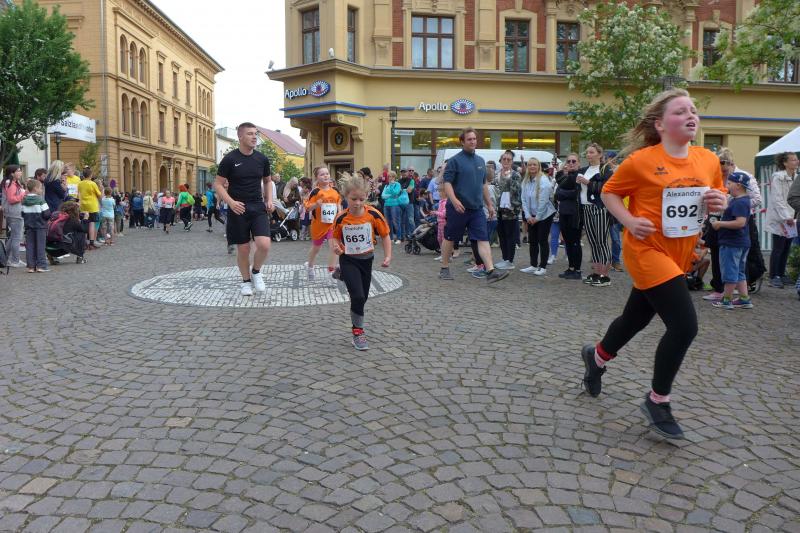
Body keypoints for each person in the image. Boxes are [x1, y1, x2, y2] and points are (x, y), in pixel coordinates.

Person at [580, 88, 726, 440]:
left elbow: (716, 195)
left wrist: (718, 201)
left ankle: (596, 357)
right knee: (684, 326)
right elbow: (609, 192)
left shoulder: (707, 159)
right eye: (680, 111)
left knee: (636, 318)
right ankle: (657, 400)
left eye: (693, 110)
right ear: (660, 124)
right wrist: (630, 221)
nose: (690, 116)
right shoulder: (641, 161)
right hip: (646, 251)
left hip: (680, 253)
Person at [331, 173, 392, 350]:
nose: (357, 203)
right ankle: (358, 332)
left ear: (366, 197)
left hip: (366, 260)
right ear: (346, 197)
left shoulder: (373, 214)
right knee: (357, 296)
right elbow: (334, 237)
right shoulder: (341, 217)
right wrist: (336, 247)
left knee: (363, 297)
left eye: (361, 199)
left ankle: (343, 275)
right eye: (353, 199)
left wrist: (388, 256)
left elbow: (385, 235)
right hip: (348, 259)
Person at [439, 127, 508, 283]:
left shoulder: (480, 161)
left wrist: (489, 205)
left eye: (474, 139)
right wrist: (454, 200)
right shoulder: (455, 161)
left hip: (476, 209)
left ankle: (490, 271)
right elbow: (447, 183)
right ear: (462, 141)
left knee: (483, 238)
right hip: (458, 208)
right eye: (469, 139)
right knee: (450, 238)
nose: (472, 141)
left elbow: (483, 185)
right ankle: (444, 268)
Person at [215, 122, 274, 296]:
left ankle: (256, 271)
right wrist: (231, 202)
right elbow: (218, 184)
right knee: (244, 249)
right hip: (238, 208)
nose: (254, 137)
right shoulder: (230, 159)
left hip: (257, 206)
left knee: (264, 244)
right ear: (240, 136)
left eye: (255, 134)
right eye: (250, 134)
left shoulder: (262, 159)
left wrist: (269, 199)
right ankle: (246, 282)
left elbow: (267, 181)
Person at [716, 148, 764, 293]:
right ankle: (738, 295)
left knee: (736, 263)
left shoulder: (744, 178)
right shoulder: (718, 175)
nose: (723, 173)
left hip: (738, 223)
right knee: (729, 261)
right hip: (725, 220)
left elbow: (757, 199)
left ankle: (728, 296)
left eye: (725, 170)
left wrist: (734, 204)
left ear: (731, 164)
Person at [710, 171, 753, 309]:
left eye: (729, 183)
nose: (726, 185)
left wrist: (719, 224)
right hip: (740, 242)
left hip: (732, 243)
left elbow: (740, 223)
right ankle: (744, 299)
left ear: (738, 185)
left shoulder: (740, 202)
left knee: (730, 272)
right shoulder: (739, 200)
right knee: (739, 271)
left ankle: (726, 300)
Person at [577, 143, 615, 286]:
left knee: (602, 241)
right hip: (586, 207)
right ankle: (597, 272)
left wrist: (587, 182)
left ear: (600, 154)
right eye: (587, 152)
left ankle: (605, 276)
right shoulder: (583, 169)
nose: (588, 155)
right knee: (593, 241)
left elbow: (606, 188)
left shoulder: (606, 170)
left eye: (592, 152)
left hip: (599, 208)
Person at [765, 151, 798, 288]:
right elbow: (777, 199)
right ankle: (774, 276)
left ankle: (782, 273)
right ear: (785, 163)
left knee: (786, 247)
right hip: (780, 218)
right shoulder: (778, 177)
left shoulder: (797, 177)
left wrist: (793, 216)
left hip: (793, 218)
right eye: (793, 160)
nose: (797, 161)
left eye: (797, 159)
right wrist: (786, 216)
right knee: (778, 247)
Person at [304, 166, 341, 279]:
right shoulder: (315, 192)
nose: (325, 176)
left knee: (334, 246)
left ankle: (331, 270)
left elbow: (338, 205)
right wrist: (316, 204)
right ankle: (310, 266)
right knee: (316, 248)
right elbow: (307, 208)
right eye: (322, 174)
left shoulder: (335, 191)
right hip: (318, 226)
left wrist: (340, 217)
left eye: (327, 173)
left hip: (332, 225)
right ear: (317, 178)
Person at [521, 157, 556, 275]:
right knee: (532, 240)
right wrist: (528, 216)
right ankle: (533, 265)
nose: (532, 166)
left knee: (542, 240)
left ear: (538, 166)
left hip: (544, 215)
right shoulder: (525, 181)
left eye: (534, 164)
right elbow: (523, 199)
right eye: (530, 164)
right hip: (531, 215)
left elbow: (543, 201)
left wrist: (537, 218)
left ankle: (543, 266)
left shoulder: (544, 181)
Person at [555, 155, 583, 279]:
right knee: (568, 242)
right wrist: (567, 193)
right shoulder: (565, 177)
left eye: (573, 161)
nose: (571, 163)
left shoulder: (579, 176)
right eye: (568, 161)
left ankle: (577, 270)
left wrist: (564, 193)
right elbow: (557, 194)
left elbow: (576, 193)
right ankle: (571, 268)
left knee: (575, 242)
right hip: (564, 213)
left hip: (575, 214)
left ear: (579, 163)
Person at [494, 150, 523, 270]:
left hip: (510, 210)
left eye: (508, 159)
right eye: (504, 159)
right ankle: (504, 258)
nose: (506, 161)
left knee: (510, 235)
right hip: (498, 209)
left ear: (512, 162)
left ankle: (510, 261)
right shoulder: (496, 174)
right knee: (501, 235)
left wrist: (508, 179)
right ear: (501, 160)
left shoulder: (515, 174)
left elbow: (516, 192)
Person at [21, 178, 51, 272]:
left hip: (29, 226)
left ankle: (31, 266)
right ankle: (41, 266)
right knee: (40, 246)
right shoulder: (41, 200)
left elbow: (22, 213)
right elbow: (47, 214)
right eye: (40, 188)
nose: (41, 190)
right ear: (35, 189)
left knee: (30, 246)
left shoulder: (24, 200)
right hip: (40, 226)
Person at [1, 165, 27, 267]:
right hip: (15, 213)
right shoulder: (10, 183)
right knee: (17, 237)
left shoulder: (11, 182)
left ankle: (5, 259)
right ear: (12, 173)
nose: (20, 172)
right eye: (18, 171)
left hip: (12, 212)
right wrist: (23, 194)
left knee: (13, 237)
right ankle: (15, 261)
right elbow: (11, 199)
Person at [77, 168, 102, 249]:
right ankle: (91, 243)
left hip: (83, 206)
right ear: (90, 175)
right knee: (92, 223)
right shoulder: (93, 184)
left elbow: (78, 194)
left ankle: (84, 242)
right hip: (92, 206)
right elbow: (99, 195)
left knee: (84, 223)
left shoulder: (80, 183)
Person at [381, 171, 402, 243]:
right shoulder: (386, 185)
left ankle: (399, 238)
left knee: (395, 222)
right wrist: (390, 195)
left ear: (395, 177)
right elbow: (383, 196)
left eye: (392, 176)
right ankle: (391, 238)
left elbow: (395, 193)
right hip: (386, 205)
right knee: (388, 222)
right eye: (389, 176)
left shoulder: (397, 184)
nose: (390, 178)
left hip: (395, 205)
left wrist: (392, 186)